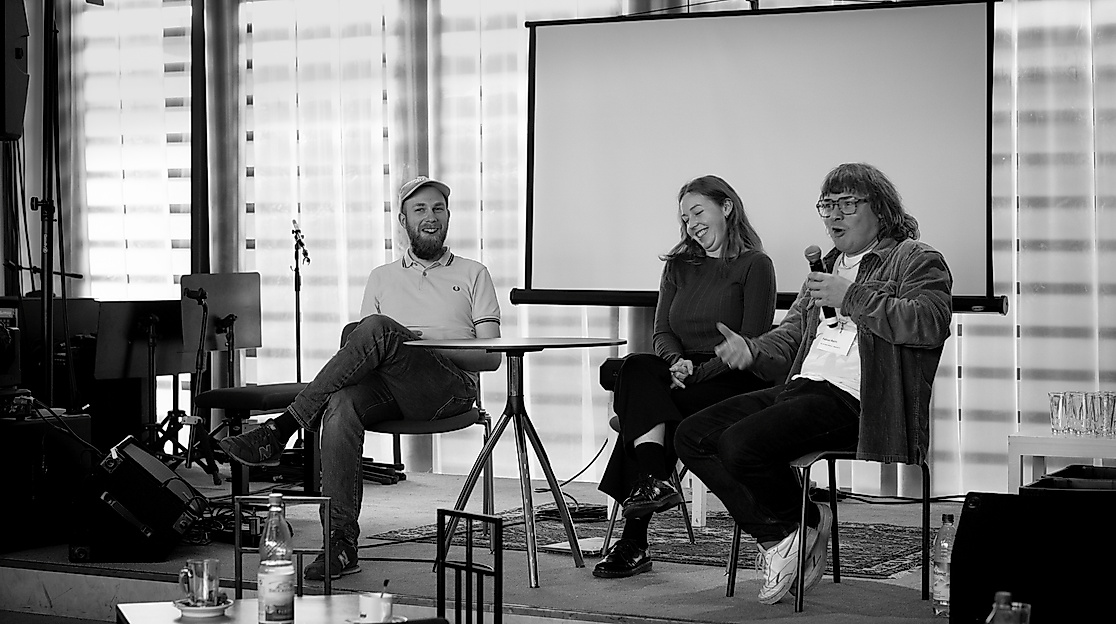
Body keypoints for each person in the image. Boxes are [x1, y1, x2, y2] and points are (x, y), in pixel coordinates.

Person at [675, 162, 952, 604]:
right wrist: (753, 350)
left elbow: (930, 322)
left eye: (846, 204)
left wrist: (852, 297)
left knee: (740, 445)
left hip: (861, 402)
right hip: (801, 388)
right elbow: (789, 337)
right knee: (691, 436)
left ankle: (792, 530)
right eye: (827, 206)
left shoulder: (915, 258)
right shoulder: (825, 269)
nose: (834, 216)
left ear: (879, 208)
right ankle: (789, 528)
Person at [219, 175, 502, 581]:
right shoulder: (382, 277)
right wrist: (391, 341)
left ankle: (283, 427)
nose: (430, 217)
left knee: (380, 329)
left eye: (438, 209)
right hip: (391, 387)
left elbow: (491, 358)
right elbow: (360, 347)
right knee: (341, 402)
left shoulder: (475, 273)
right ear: (403, 220)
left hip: (448, 390)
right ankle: (340, 544)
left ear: (448, 217)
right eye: (420, 210)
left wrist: (421, 345)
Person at [593, 175, 776, 579]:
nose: (691, 224)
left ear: (726, 207)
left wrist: (697, 372)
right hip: (680, 371)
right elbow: (662, 330)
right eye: (685, 217)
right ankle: (657, 479)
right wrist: (676, 364)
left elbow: (750, 341)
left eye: (698, 212)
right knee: (639, 366)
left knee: (652, 408)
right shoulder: (679, 264)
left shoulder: (755, 265)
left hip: (731, 375)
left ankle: (634, 541)